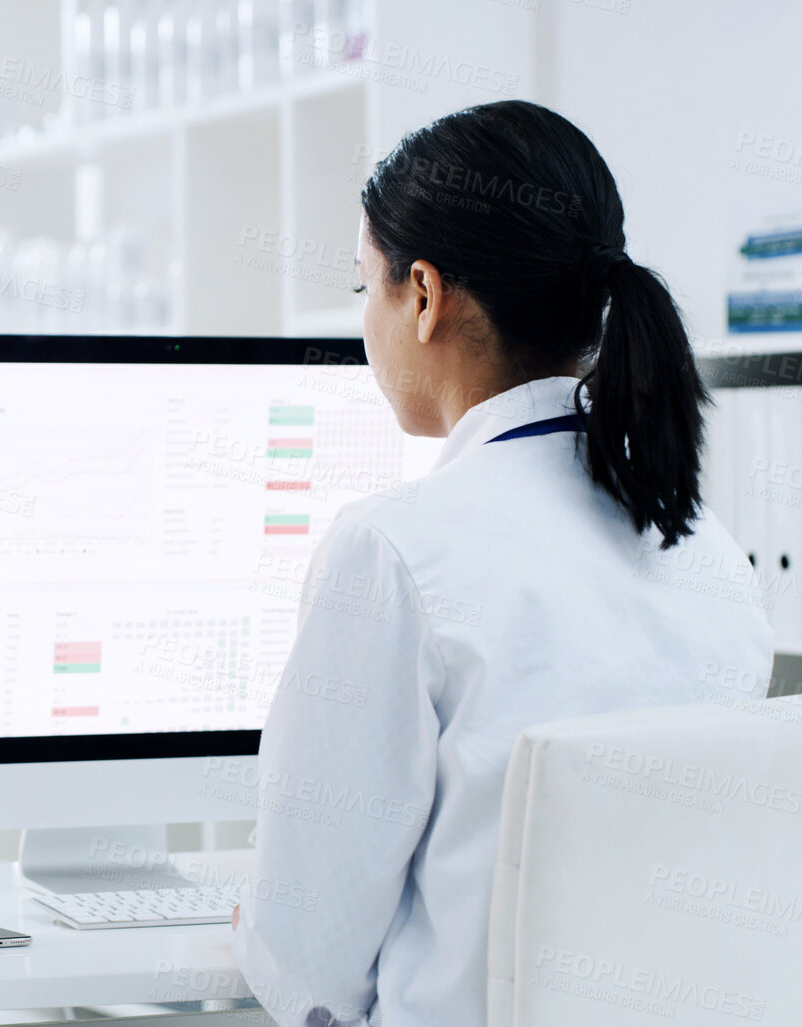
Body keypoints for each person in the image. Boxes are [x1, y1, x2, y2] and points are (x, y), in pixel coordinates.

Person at [228, 100, 771, 1027]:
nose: (368, 321)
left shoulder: (393, 552)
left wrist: (255, 935)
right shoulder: (707, 547)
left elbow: (307, 958)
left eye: (368, 287)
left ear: (425, 296)